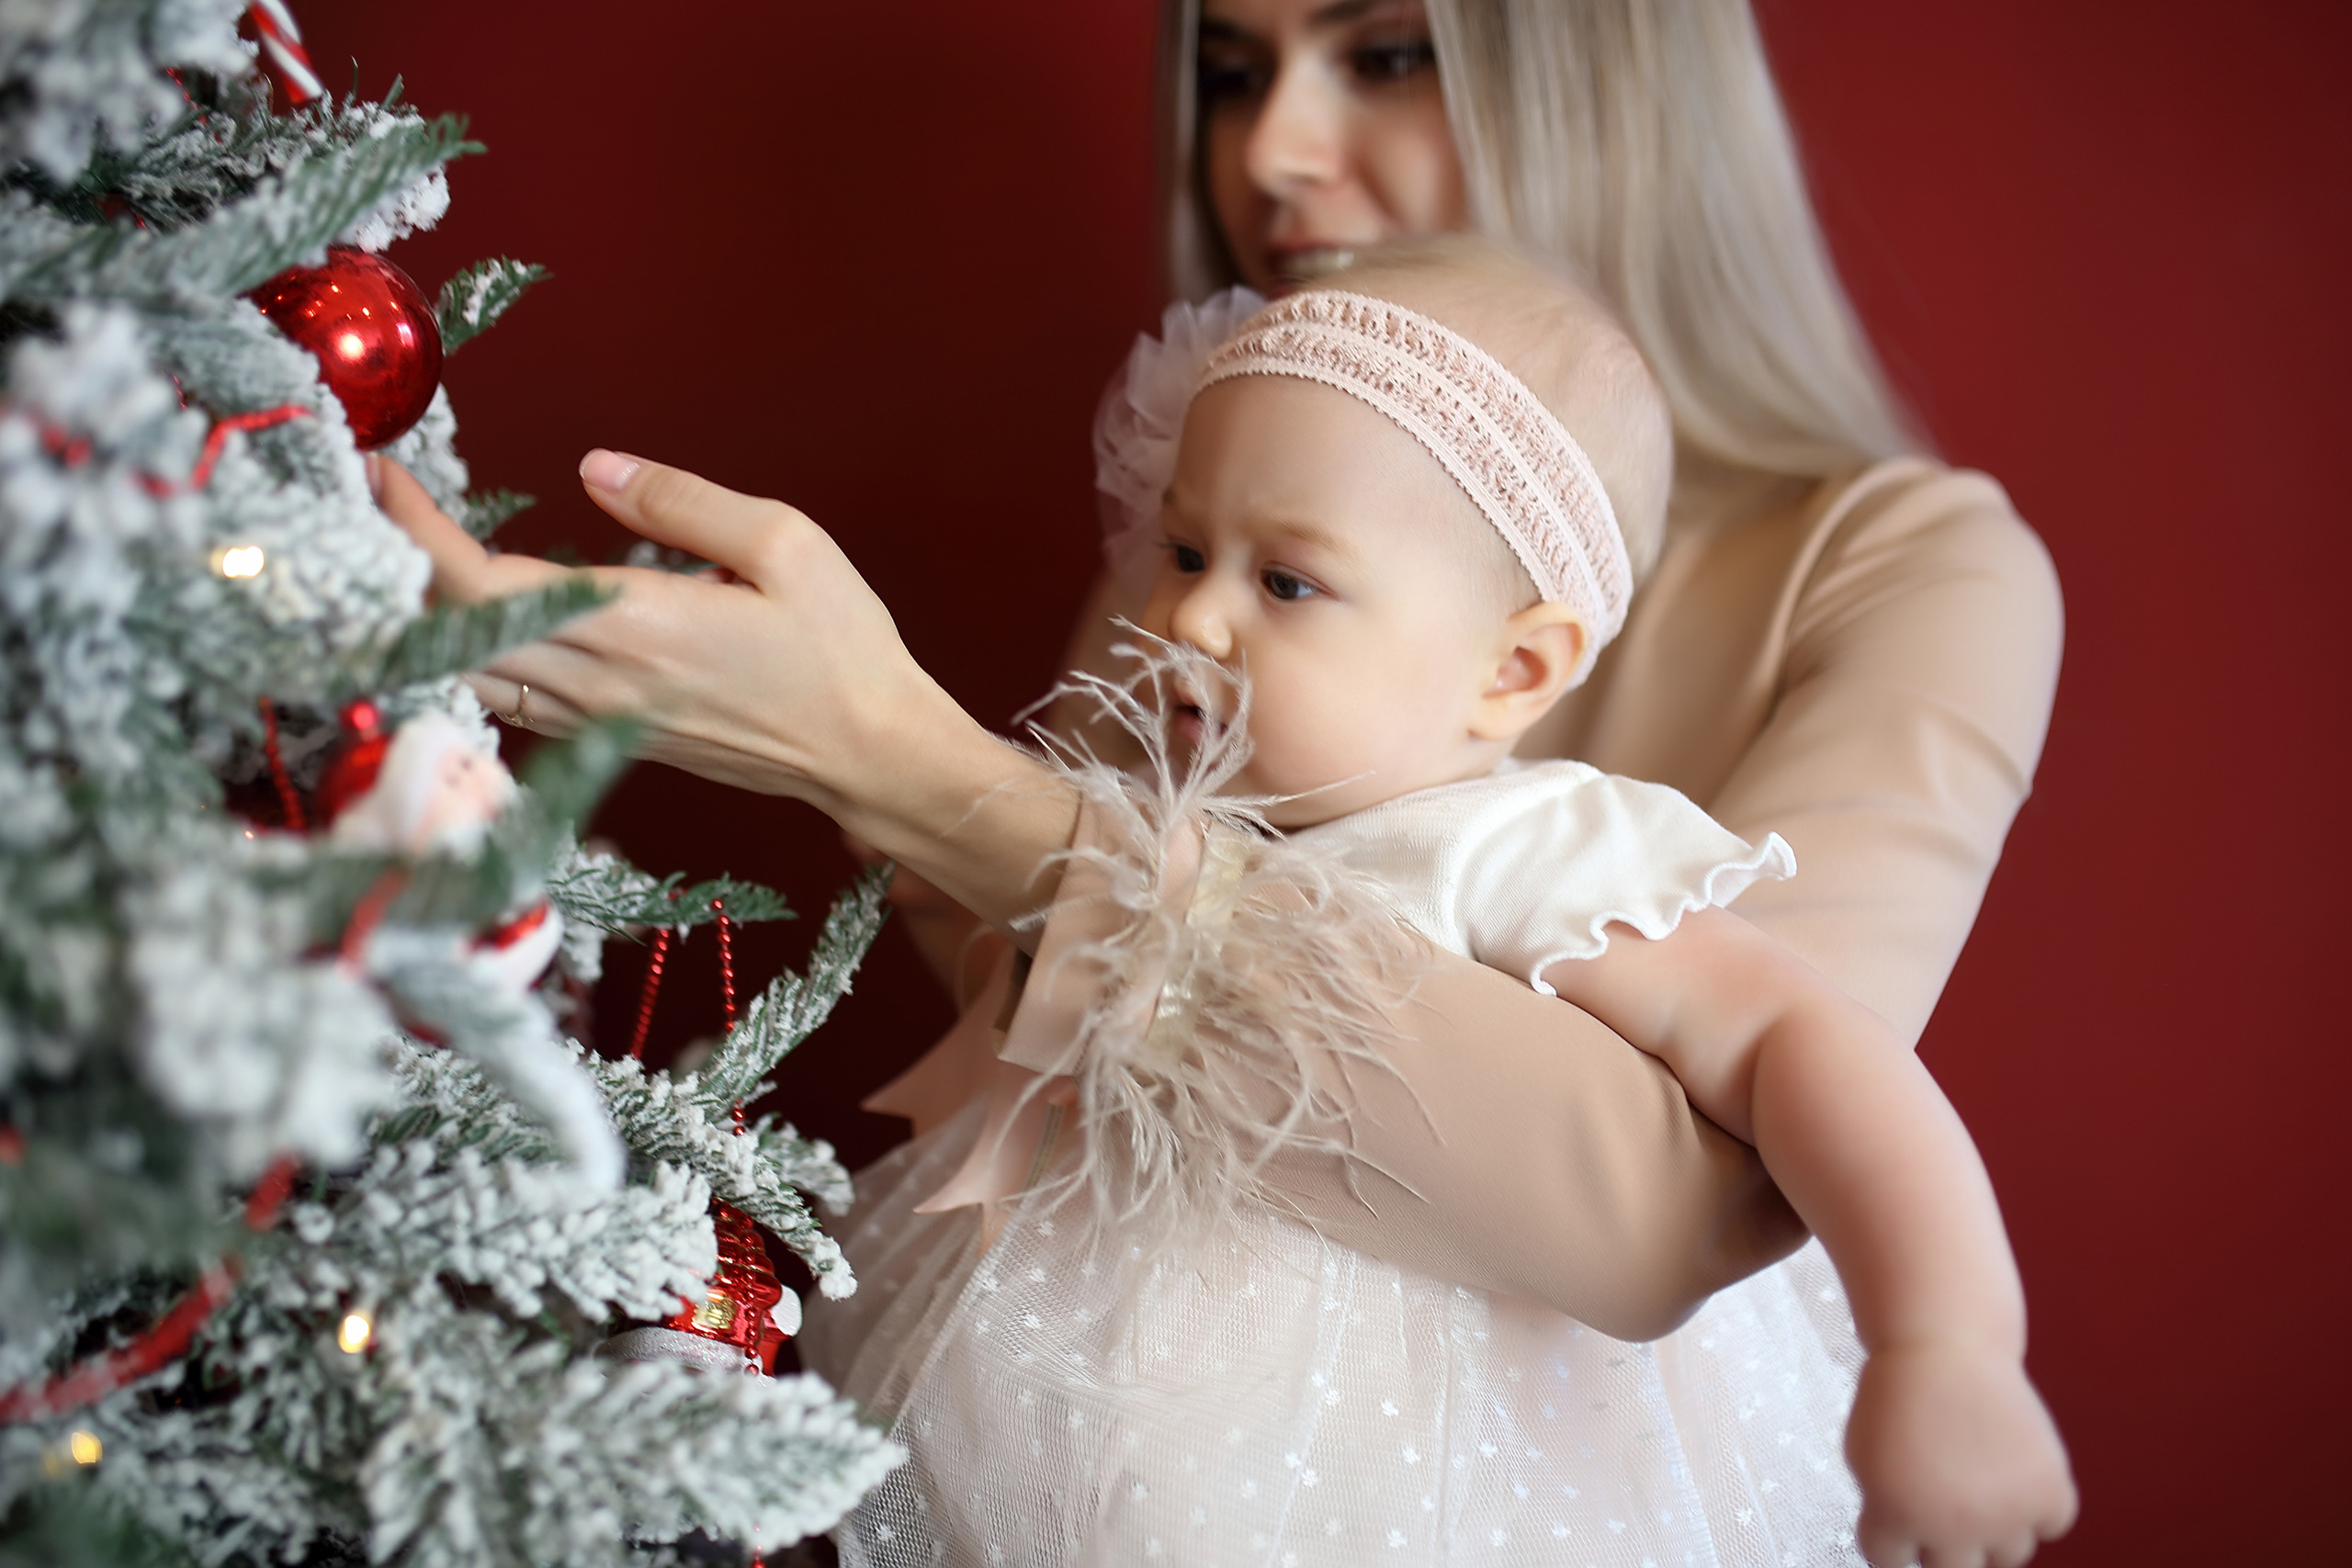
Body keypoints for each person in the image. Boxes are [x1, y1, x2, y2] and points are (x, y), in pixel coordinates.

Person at [375, 0, 2059, 1448]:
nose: (1268, 156)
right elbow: (1013, 971)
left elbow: (1664, 1213)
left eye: (1386, 52)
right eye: (1235, 70)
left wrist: (903, 765)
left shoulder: (1901, 569)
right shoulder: (1226, 536)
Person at [791, 242, 2073, 1567]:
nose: (1193, 619)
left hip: (1429, 1484)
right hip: (1101, 1432)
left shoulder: (1513, 843)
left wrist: (1947, 1340)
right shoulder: (1168, 813)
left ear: (1513, 671)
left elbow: (1794, 1042)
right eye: (1182, 550)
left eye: (1285, 581)